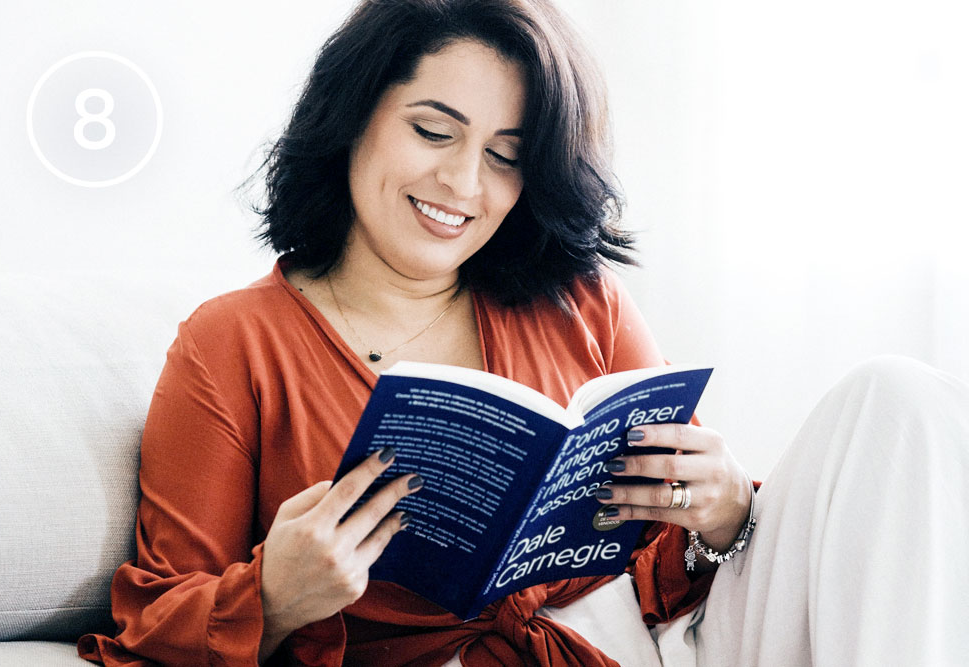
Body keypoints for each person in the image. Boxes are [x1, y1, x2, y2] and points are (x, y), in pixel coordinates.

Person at [78, 1, 969, 665]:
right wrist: (271, 597)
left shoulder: (580, 300)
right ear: (352, 117)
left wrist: (724, 509)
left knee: (900, 396)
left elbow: (668, 551)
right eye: (435, 130)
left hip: (656, 638)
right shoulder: (231, 343)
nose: (464, 183)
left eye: (506, 155)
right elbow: (149, 618)